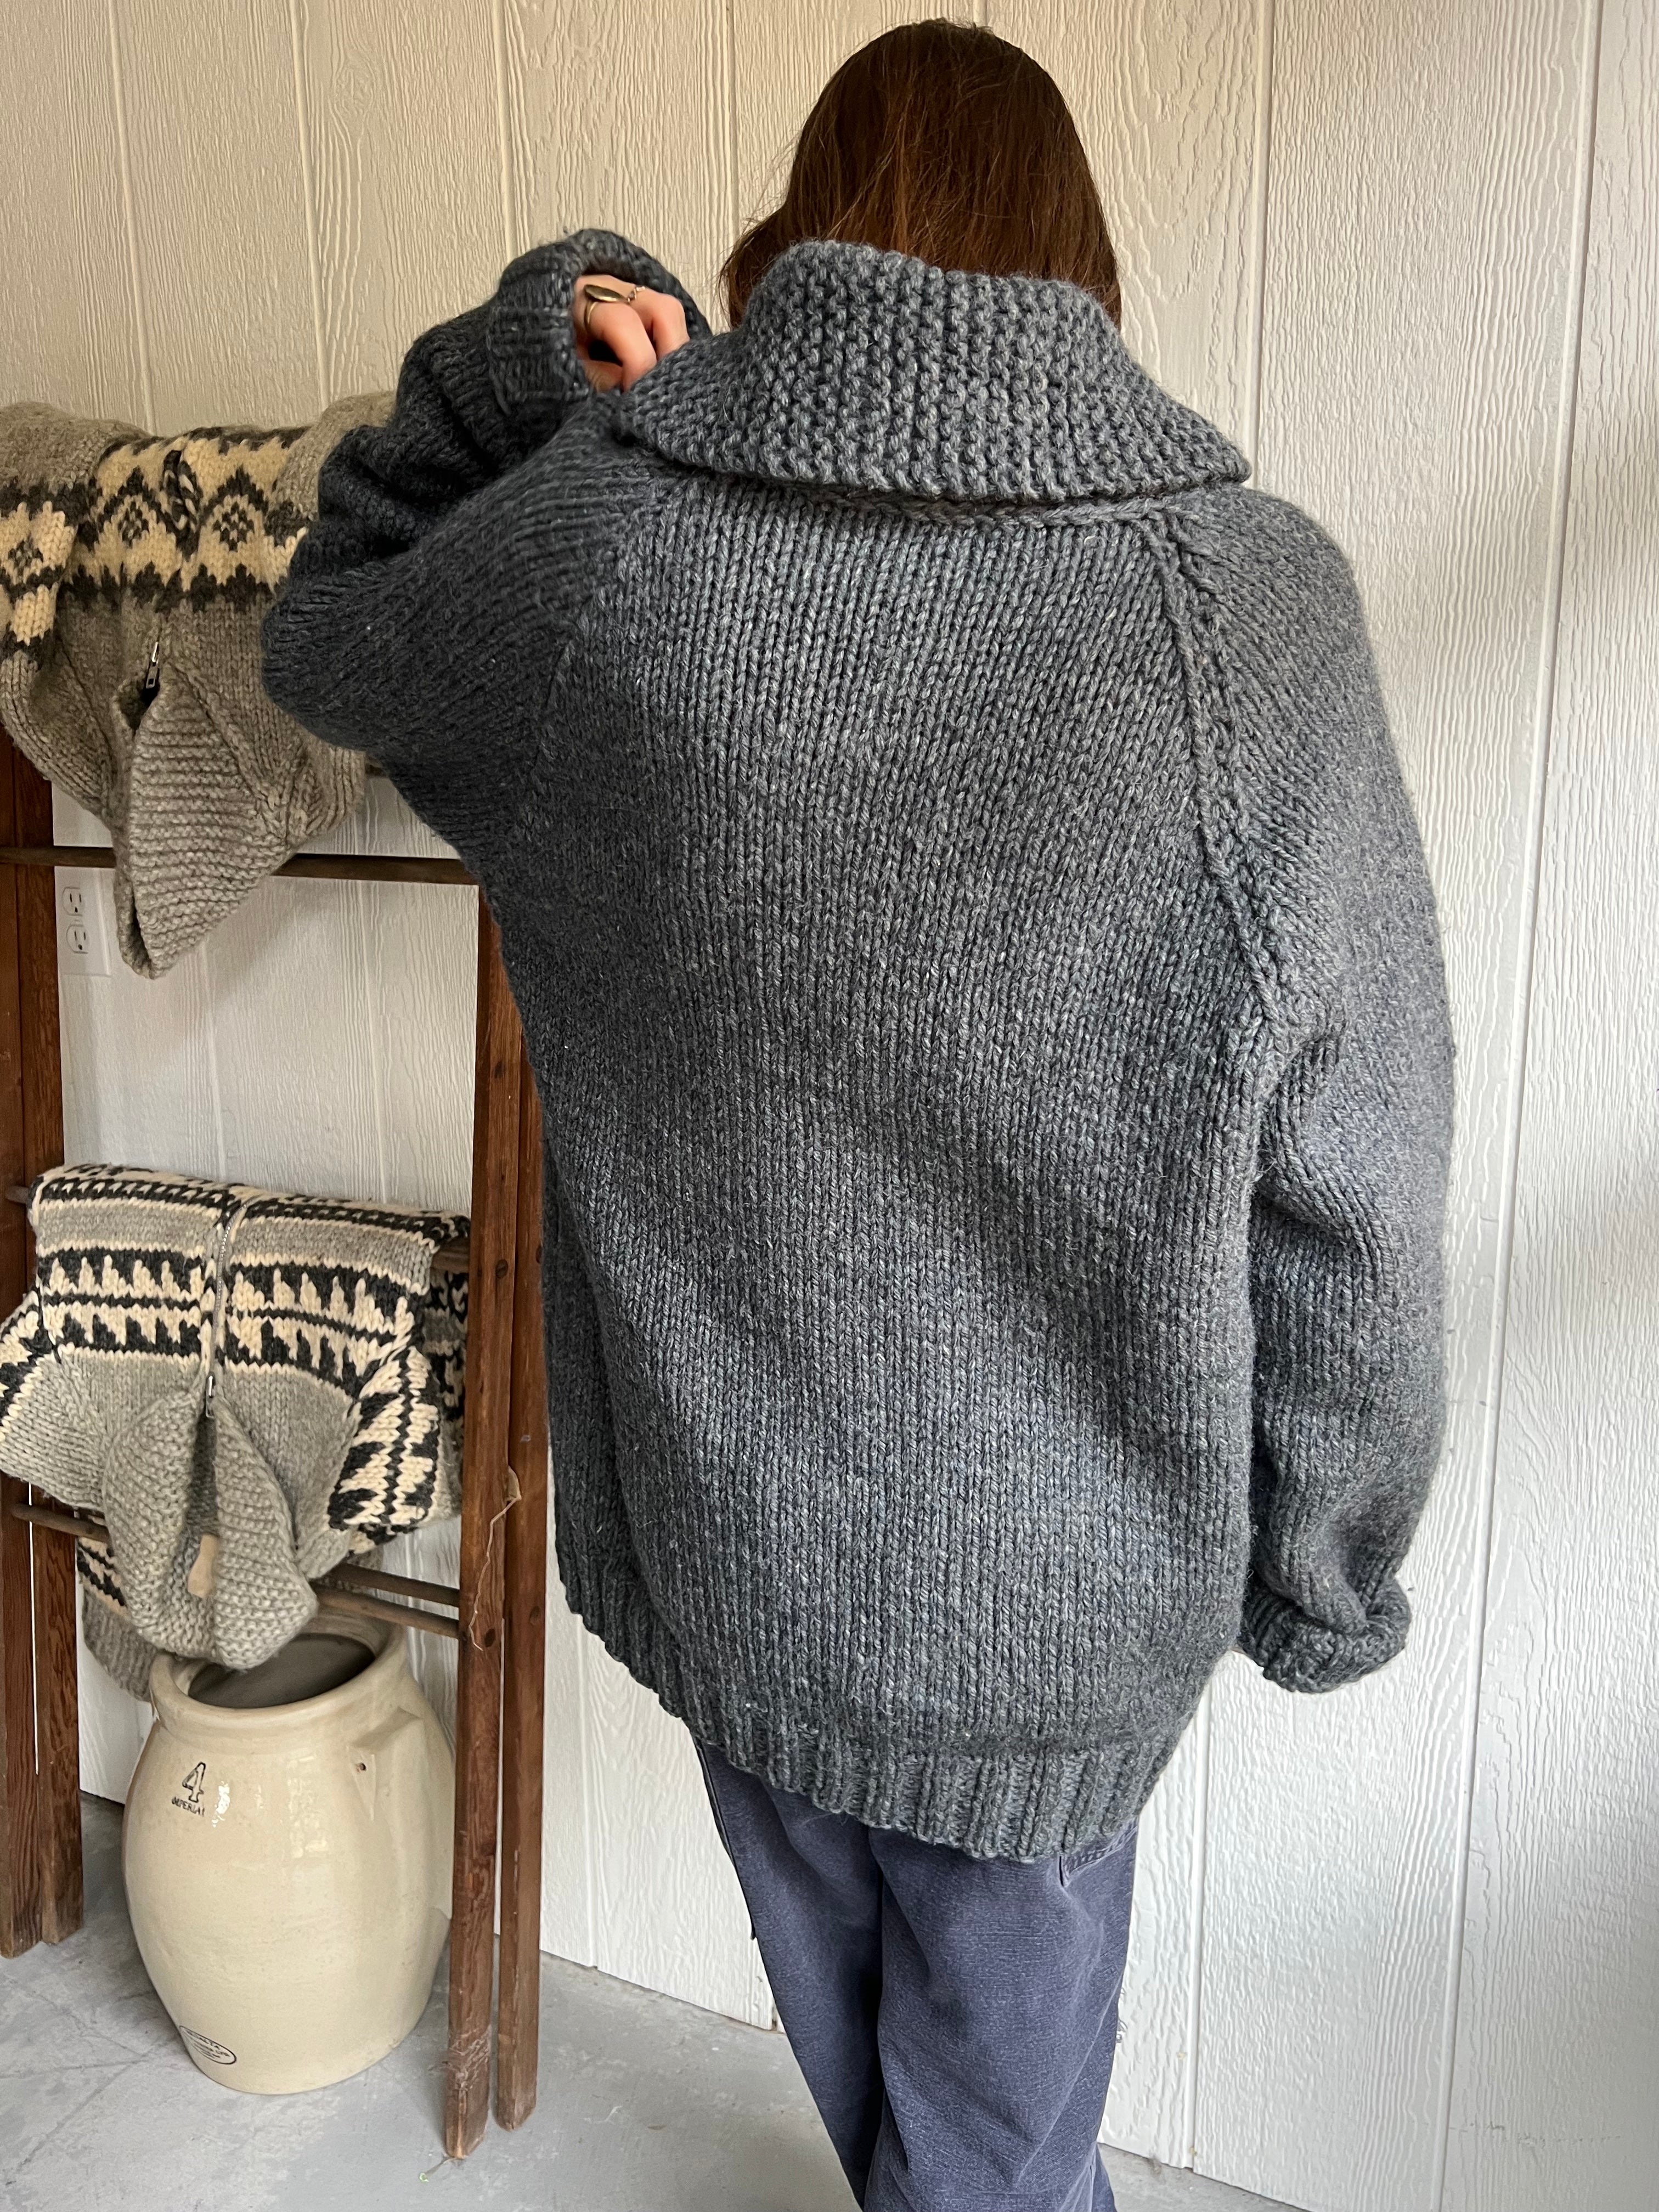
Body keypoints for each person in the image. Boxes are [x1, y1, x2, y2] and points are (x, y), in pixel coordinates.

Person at [262, 19, 1454, 2210]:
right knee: (991, 2157)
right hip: (1064, 1618)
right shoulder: (1256, 617)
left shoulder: (604, 561)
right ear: (1081, 269)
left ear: (792, 240)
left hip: (737, 1545)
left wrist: (538, 354)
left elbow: (330, 622)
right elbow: (1360, 1164)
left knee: (900, 2115)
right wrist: (1327, 1562)